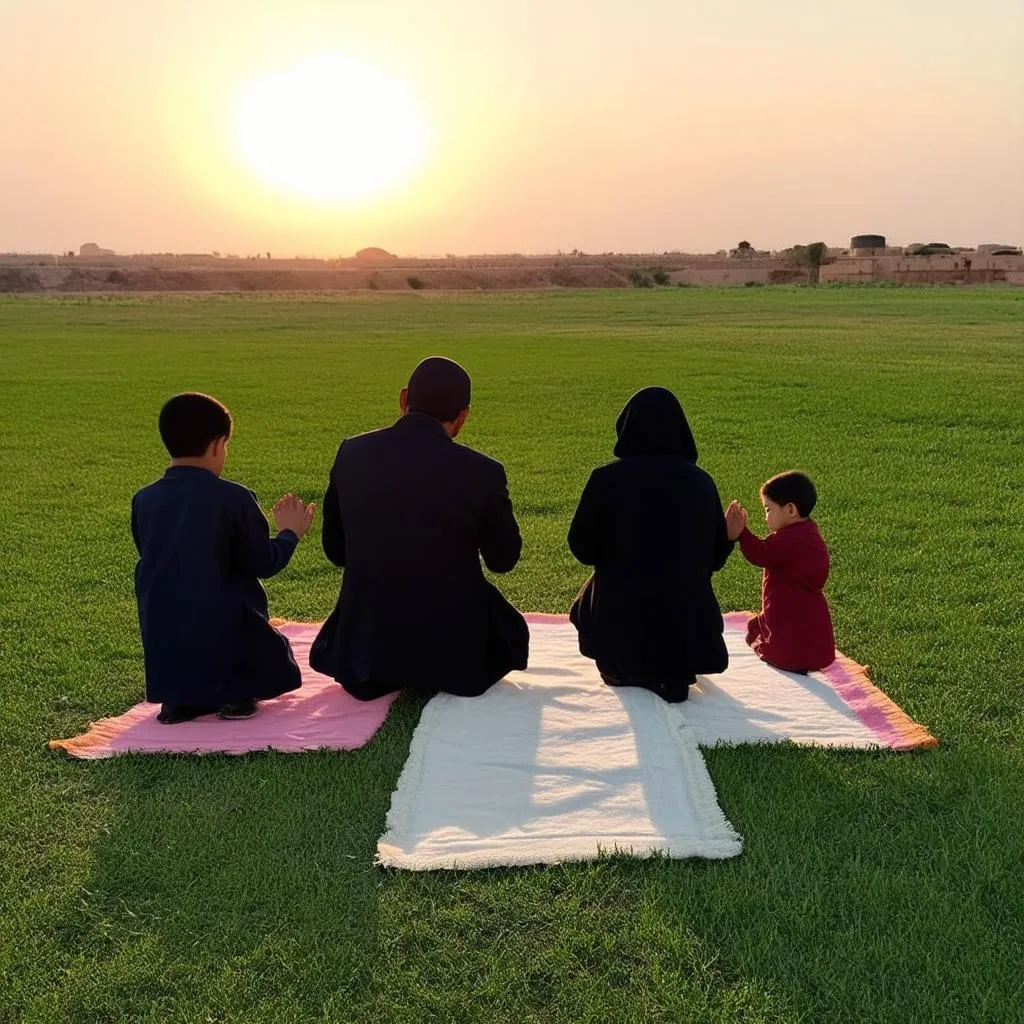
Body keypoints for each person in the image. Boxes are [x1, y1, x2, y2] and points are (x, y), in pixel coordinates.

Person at [310, 356, 528, 700]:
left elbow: (337, 552)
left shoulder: (352, 453)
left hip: (367, 651)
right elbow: (503, 561)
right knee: (509, 629)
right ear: (462, 417)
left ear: (402, 399)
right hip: (455, 654)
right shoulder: (482, 471)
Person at [131, 392, 315, 724]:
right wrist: (290, 533)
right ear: (218, 445)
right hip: (224, 632)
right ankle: (236, 697)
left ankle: (178, 702)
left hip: (165, 637)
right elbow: (263, 562)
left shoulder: (144, 500)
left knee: (180, 618)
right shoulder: (234, 499)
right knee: (274, 651)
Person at [568, 387, 734, 703]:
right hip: (685, 639)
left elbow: (582, 549)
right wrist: (728, 537)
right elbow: (712, 560)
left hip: (619, 628)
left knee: (598, 591)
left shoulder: (605, 479)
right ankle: (671, 669)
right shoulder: (701, 482)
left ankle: (626, 667)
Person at [725, 471, 835, 672]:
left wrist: (741, 533)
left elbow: (760, 554)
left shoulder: (790, 540)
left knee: (776, 639)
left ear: (790, 510)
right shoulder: (810, 533)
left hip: (787, 608)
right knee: (763, 626)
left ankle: (788, 658)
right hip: (809, 607)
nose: (766, 517)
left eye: (768, 509)